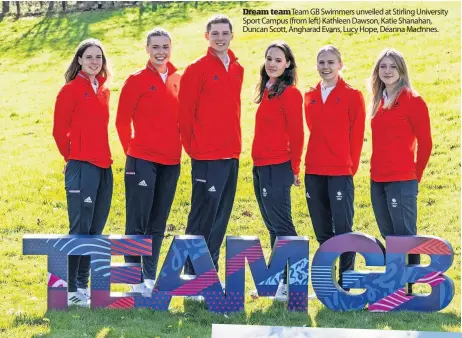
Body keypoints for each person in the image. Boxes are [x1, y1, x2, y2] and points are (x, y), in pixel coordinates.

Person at [178, 14, 244, 294]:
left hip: (231, 153)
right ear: (207, 36)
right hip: (206, 156)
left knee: (221, 215)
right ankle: (192, 274)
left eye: (224, 33)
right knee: (203, 215)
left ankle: (209, 272)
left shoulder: (238, 68)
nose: (220, 37)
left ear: (231, 35)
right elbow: (184, 114)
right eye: (214, 33)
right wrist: (195, 150)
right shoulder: (197, 68)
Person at [116, 28, 181, 294]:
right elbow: (121, 121)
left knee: (158, 221)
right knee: (137, 220)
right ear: (147, 49)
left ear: (170, 48)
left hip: (171, 161)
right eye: (155, 47)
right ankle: (133, 278)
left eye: (165, 46)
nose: (161, 52)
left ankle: (150, 277)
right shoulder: (136, 80)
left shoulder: (180, 79)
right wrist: (131, 151)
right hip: (141, 159)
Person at [53, 38, 113, 307]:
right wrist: (73, 157)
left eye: (98, 57)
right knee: (80, 228)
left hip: (104, 167)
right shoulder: (70, 90)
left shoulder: (103, 91)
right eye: (89, 56)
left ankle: (83, 287)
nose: (94, 61)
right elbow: (58, 131)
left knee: (95, 230)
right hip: (81, 167)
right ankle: (69, 288)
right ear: (79, 60)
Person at [369, 48, 432, 293]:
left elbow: (426, 143)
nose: (387, 71)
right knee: (388, 233)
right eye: (383, 66)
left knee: (405, 237)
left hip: (402, 180)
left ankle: (409, 288)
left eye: (392, 66)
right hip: (378, 179)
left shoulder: (412, 100)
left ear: (401, 70)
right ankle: (397, 285)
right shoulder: (378, 99)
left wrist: (415, 177)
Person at [304, 45, 365, 291]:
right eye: (321, 62)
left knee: (343, 229)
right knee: (321, 229)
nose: (326, 67)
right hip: (314, 171)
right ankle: (327, 283)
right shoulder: (309, 95)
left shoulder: (353, 95)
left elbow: (357, 136)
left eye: (330, 62)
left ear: (340, 64)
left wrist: (350, 168)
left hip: (341, 171)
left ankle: (346, 282)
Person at [251, 41, 304, 301]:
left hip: (278, 166)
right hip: (260, 166)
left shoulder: (290, 94)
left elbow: (297, 134)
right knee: (273, 226)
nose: (272, 63)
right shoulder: (269, 90)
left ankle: (294, 283)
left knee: (283, 227)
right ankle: (277, 283)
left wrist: (295, 167)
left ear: (288, 65)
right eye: (269, 58)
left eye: (278, 60)